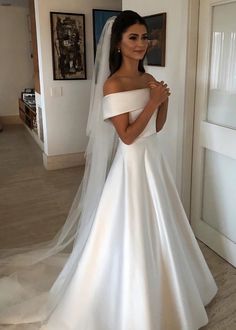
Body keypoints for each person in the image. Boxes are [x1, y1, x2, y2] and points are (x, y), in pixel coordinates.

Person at [0, 11, 217, 330]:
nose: (142, 43)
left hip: (153, 162)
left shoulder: (147, 79)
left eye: (145, 37)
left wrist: (163, 100)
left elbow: (157, 128)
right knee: (130, 228)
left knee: (164, 224)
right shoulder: (113, 84)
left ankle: (172, 288)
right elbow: (127, 137)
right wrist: (154, 101)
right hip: (130, 167)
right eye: (133, 37)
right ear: (118, 43)